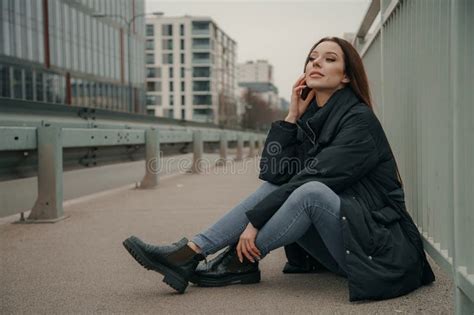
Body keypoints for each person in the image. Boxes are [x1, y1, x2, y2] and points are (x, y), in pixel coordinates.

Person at [123, 36, 435, 301]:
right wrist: (291, 117)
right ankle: (193, 253)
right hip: (344, 235)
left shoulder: (358, 122)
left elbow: (315, 179)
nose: (315, 63)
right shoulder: (312, 119)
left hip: (376, 247)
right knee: (281, 189)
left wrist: (254, 224)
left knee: (310, 192)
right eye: (312, 58)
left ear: (346, 77)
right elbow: (274, 174)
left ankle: (229, 261)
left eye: (328, 59)